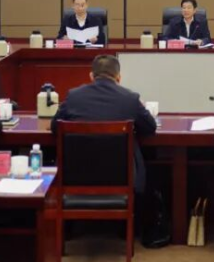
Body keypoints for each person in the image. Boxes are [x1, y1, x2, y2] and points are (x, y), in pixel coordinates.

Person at [51, 55, 157, 192]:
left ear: (91, 76)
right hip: (121, 182)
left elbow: (55, 127)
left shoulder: (73, 96)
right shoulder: (130, 99)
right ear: (118, 77)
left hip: (75, 180)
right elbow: (150, 127)